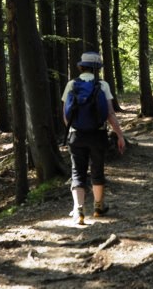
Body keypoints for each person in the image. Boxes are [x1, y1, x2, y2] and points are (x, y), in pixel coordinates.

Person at [62, 51, 126, 225]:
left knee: (77, 171)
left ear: (81, 66)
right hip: (98, 134)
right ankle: (98, 207)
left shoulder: (71, 85)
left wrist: (72, 130)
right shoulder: (102, 85)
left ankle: (79, 210)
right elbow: (110, 114)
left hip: (76, 135)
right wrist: (120, 135)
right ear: (96, 68)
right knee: (97, 169)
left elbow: (66, 115)